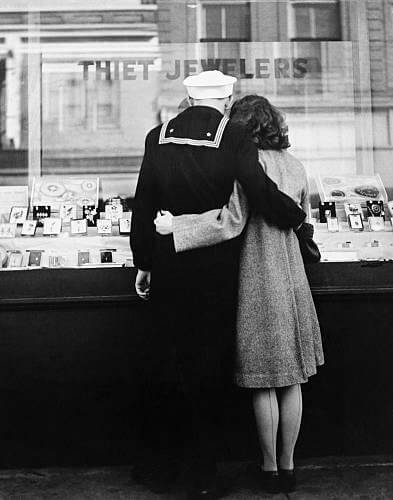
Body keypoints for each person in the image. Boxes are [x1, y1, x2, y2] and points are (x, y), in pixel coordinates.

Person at [129, 71, 306, 499]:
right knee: (207, 368)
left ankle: (161, 469)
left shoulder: (158, 136)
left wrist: (144, 262)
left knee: (169, 365)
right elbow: (258, 192)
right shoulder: (232, 138)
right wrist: (295, 215)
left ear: (189, 97)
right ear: (227, 99)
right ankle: (203, 477)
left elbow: (144, 200)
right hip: (215, 270)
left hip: (169, 262)